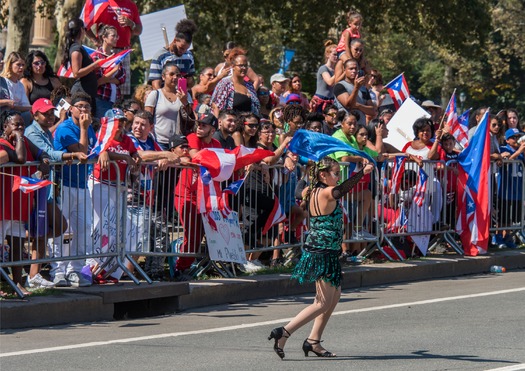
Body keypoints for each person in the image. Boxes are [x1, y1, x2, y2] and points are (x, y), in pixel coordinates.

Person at [268, 157, 373, 360]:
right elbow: (342, 189)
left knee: (333, 298)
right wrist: (362, 173)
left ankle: (314, 341)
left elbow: (300, 189)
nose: (338, 177)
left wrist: (305, 172)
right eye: (335, 173)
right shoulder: (326, 192)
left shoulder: (311, 191)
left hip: (328, 251)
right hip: (322, 252)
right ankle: (283, 332)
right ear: (323, 175)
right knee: (322, 302)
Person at [0, 111, 54, 293]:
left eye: (22, 124)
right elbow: (21, 158)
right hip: (2, 205)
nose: (21, 128)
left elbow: (42, 153)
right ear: (5, 127)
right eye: (16, 125)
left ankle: (18, 284)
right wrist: (19, 138)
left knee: (17, 247)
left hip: (17, 206)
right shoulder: (2, 143)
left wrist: (44, 160)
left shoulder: (23, 141)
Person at [52, 92, 97, 287]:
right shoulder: (65, 128)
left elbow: (95, 151)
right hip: (64, 184)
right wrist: (84, 129)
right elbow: (82, 152)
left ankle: (75, 270)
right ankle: (58, 271)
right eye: (80, 106)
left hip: (81, 185)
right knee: (61, 231)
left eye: (87, 107)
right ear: (71, 109)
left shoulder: (89, 129)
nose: (84, 110)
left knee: (83, 228)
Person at [174, 113, 222, 280]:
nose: (199, 127)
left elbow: (222, 163)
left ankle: (198, 265)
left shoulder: (216, 143)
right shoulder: (193, 137)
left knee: (205, 232)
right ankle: (180, 269)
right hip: (186, 194)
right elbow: (196, 156)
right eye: (198, 124)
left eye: (204, 125)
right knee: (192, 234)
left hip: (205, 194)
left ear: (213, 129)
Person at [84, 0, 142, 96]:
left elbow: (139, 30)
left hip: (123, 51)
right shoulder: (100, 2)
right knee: (102, 84)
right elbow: (85, 25)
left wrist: (131, 23)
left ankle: (120, 107)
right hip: (104, 52)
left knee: (122, 86)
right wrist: (95, 41)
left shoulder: (131, 5)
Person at [144, 62, 194, 149]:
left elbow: (190, 118)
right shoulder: (155, 95)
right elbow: (147, 119)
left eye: (178, 75)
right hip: (159, 142)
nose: (175, 77)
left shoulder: (185, 95)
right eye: (171, 74)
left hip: (179, 144)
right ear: (163, 77)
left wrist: (185, 102)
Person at [62, 18, 101, 115]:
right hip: (81, 93)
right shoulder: (76, 49)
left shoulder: (79, 47)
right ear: (81, 30)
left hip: (87, 92)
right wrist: (94, 65)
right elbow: (76, 73)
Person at [148, 19, 197, 89]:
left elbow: (191, 80)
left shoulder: (189, 56)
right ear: (175, 40)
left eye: (186, 49)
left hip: (183, 96)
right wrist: (164, 98)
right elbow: (155, 83)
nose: (183, 51)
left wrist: (189, 80)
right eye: (181, 48)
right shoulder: (160, 56)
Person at [211, 48, 260, 116]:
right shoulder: (225, 84)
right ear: (233, 66)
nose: (244, 68)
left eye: (246, 65)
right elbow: (216, 107)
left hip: (248, 125)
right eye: (241, 65)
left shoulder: (249, 86)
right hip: (231, 124)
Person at [92, 25, 126, 119]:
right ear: (104, 37)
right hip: (102, 99)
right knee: (102, 127)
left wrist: (107, 79)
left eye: (117, 36)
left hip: (115, 101)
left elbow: (122, 78)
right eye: (113, 36)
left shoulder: (116, 56)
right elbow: (97, 81)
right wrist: (114, 71)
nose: (116, 38)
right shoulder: (96, 57)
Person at [333, 59, 376, 125]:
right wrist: (356, 88)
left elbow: (372, 111)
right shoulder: (340, 86)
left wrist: (358, 106)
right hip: (345, 127)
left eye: (356, 69)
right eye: (351, 69)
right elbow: (349, 105)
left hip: (360, 128)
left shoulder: (363, 88)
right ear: (345, 70)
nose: (354, 71)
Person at [0, 52, 32, 124]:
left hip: (18, 116)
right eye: (18, 64)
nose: (21, 67)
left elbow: (25, 104)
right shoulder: (4, 81)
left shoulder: (20, 84)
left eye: (23, 65)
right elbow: (12, 106)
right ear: (10, 65)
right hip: (5, 117)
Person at [311, 41, 340, 113]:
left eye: (338, 55)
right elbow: (330, 82)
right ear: (327, 55)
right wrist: (339, 71)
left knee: (331, 121)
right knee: (319, 121)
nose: (336, 57)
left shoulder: (335, 70)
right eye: (334, 54)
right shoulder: (323, 68)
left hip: (331, 101)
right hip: (320, 100)